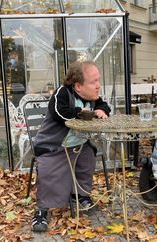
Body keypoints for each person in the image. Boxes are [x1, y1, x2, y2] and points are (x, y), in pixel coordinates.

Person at [31, 61, 111, 232]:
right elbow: (60, 113)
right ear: (78, 86)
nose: (98, 86)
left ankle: (79, 194)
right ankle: (42, 210)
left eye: (98, 80)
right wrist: (83, 113)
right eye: (93, 82)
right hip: (53, 145)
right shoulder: (63, 93)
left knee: (88, 160)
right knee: (48, 171)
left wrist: (102, 110)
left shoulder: (92, 97)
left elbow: (104, 106)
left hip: (79, 144)